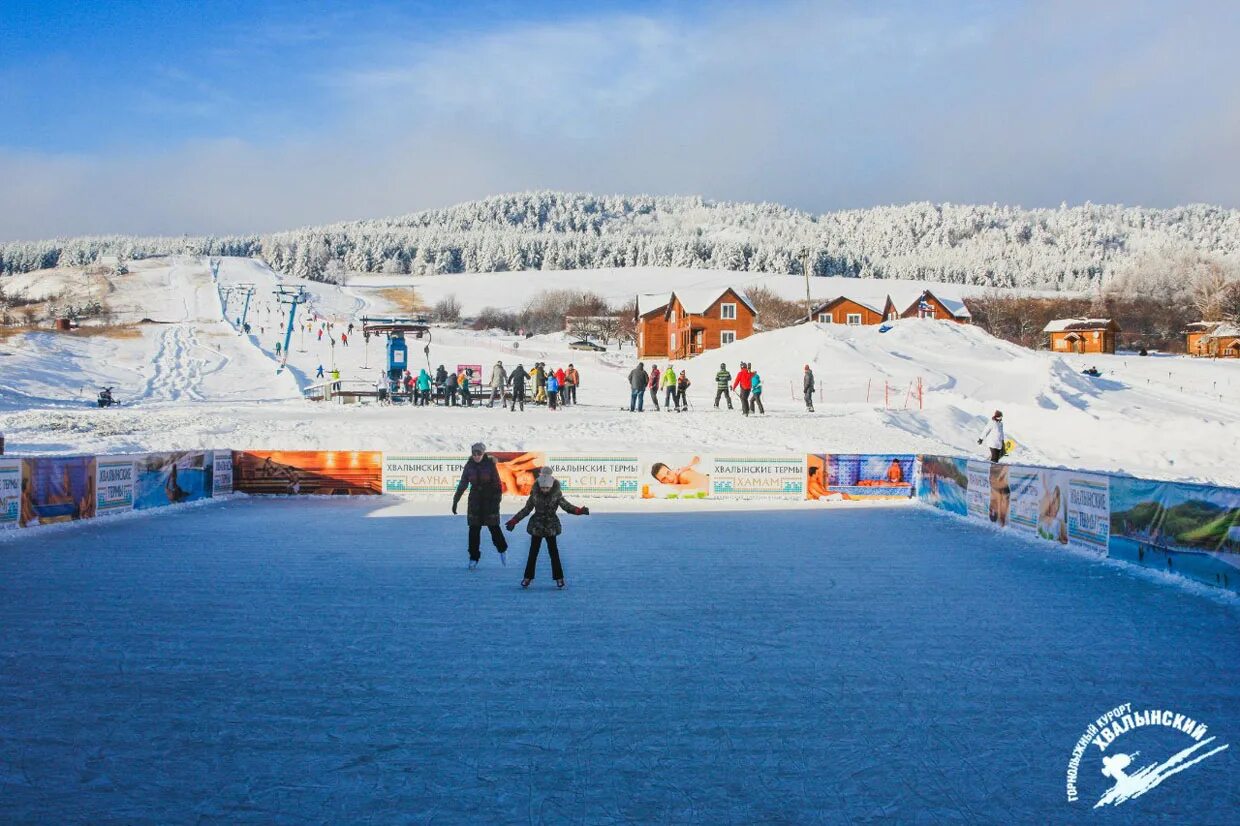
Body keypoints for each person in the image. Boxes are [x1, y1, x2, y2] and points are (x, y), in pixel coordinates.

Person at [507, 467, 588, 589]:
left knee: (554, 553)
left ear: (551, 486)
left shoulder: (556, 495)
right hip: (537, 526)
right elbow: (527, 509)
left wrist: (578, 511)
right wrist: (514, 520)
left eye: (547, 488)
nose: (545, 490)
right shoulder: (534, 494)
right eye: (543, 487)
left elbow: (566, 506)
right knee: (532, 553)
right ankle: (527, 577)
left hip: (551, 527)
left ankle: (559, 578)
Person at [453, 443, 508, 569]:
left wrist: (496, 501)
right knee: (474, 529)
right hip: (475, 500)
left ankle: (502, 550)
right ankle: (473, 558)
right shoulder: (469, 466)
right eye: (474, 453)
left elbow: (498, 485)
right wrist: (455, 500)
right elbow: (463, 484)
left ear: (483, 453)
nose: (476, 456)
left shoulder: (490, 465)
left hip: (489, 499)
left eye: (479, 453)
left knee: (493, 527)